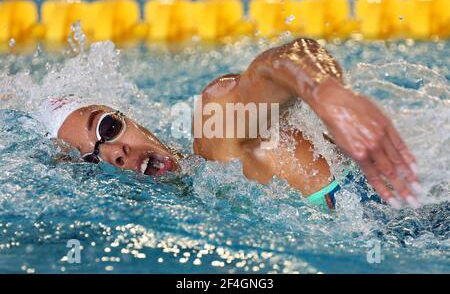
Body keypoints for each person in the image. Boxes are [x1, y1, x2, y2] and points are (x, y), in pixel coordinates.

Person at [34, 38, 421, 210]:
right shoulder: (204, 205)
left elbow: (280, 63)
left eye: (105, 129)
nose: (114, 154)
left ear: (128, 117)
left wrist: (323, 92)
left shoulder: (219, 136)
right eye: (92, 157)